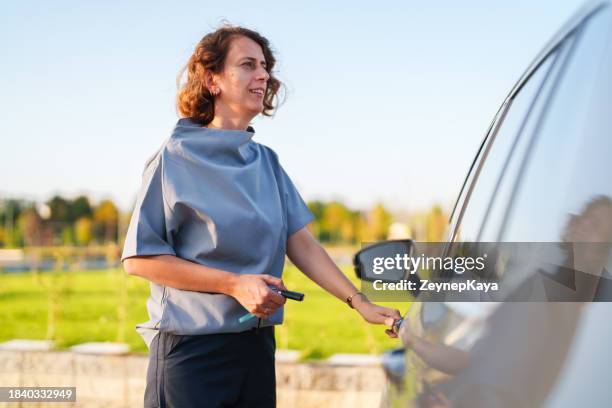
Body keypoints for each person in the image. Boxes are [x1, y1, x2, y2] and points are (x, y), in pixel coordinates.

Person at [121, 25, 401, 408]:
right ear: (212, 79)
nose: (264, 75)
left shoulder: (266, 161)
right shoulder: (173, 159)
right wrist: (234, 284)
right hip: (190, 356)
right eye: (248, 64)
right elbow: (139, 259)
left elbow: (301, 243)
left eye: (265, 66)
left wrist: (359, 302)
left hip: (256, 350)